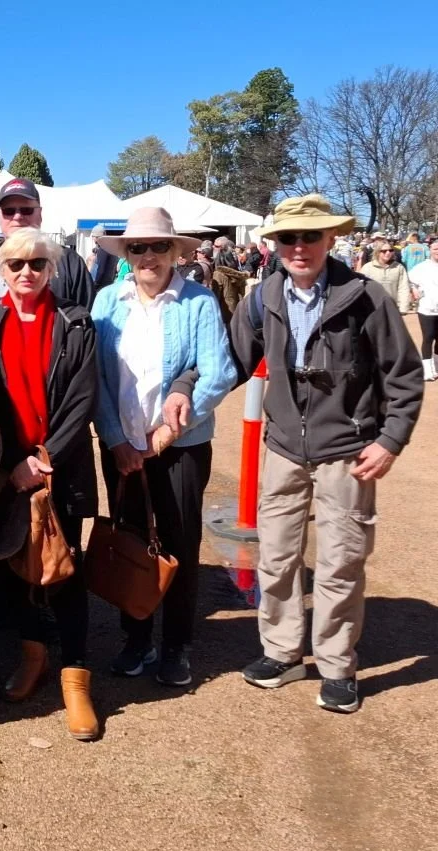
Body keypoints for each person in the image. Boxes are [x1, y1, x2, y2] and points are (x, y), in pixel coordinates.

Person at [228, 195, 423, 714]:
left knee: (340, 562)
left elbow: (402, 377)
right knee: (275, 555)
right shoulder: (263, 295)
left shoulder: (366, 297)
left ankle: (336, 664)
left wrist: (389, 440)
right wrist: (180, 387)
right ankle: (283, 650)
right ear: (275, 244)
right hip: (285, 447)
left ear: (330, 239)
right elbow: (231, 360)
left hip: (348, 451)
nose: (298, 247)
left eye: (309, 236)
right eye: (288, 238)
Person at [0, 227, 100, 739]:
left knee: (66, 569)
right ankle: (31, 656)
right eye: (16, 264)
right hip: (7, 469)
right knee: (15, 568)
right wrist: (11, 465)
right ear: (0, 270)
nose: (27, 273)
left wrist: (42, 460)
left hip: (59, 468)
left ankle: (76, 677)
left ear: (53, 269)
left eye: (37, 264)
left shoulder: (76, 323)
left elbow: (82, 397)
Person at [92, 208, 237, 688]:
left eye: (158, 246)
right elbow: (96, 381)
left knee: (178, 543)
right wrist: (115, 438)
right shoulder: (106, 303)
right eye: (138, 247)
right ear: (127, 255)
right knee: (130, 542)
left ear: (176, 251)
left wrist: (170, 430)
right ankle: (137, 637)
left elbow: (219, 372)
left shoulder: (197, 302)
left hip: (180, 448)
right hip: (123, 448)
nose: (148, 255)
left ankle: (176, 645)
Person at [0, 177, 93, 309]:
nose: (17, 217)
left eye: (26, 210)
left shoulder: (69, 262)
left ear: (40, 214)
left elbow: (87, 319)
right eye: (8, 211)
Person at [408, 239, 438, 381]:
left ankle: (436, 366)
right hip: (427, 309)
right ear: (430, 250)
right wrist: (413, 289)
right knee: (428, 337)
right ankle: (427, 370)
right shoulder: (422, 267)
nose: (437, 252)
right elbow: (410, 279)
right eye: (435, 249)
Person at [363, 238, 415, 315]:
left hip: (393, 308)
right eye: (384, 251)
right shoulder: (367, 267)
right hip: (372, 309)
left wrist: (403, 308)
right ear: (377, 252)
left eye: (390, 250)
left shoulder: (399, 267)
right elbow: (361, 288)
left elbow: (403, 288)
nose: (388, 253)